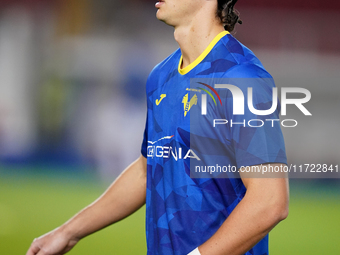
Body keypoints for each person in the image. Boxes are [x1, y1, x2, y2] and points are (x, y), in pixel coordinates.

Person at [26, 0, 289, 254]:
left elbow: (269, 202)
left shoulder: (242, 77)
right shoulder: (161, 76)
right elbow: (146, 170)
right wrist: (67, 232)